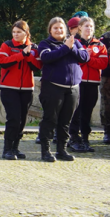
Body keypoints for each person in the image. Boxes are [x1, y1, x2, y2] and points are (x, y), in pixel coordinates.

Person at [37, 17, 89, 162]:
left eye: (61, 28)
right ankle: (45, 151)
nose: (59, 31)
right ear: (50, 30)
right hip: (53, 87)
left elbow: (85, 57)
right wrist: (66, 48)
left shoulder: (75, 42)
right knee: (50, 120)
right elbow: (47, 58)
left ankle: (61, 150)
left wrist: (71, 47)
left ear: (65, 29)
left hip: (73, 88)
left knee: (66, 121)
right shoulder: (45, 44)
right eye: (55, 28)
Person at [0, 20, 40, 160]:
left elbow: (38, 66)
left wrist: (28, 56)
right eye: (14, 32)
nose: (15, 34)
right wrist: (22, 54)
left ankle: (15, 148)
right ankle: (7, 149)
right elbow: (3, 62)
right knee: (13, 118)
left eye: (19, 32)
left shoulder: (34, 47)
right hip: (9, 88)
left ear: (26, 33)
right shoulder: (7, 45)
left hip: (27, 88)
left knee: (22, 120)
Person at [68, 17, 107, 152]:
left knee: (87, 112)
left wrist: (87, 57)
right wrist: (85, 57)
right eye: (86, 26)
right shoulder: (75, 42)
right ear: (80, 28)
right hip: (78, 82)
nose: (89, 28)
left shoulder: (100, 45)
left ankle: (85, 138)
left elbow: (103, 63)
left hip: (93, 83)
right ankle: (73, 138)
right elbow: (74, 61)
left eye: (91, 26)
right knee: (76, 111)